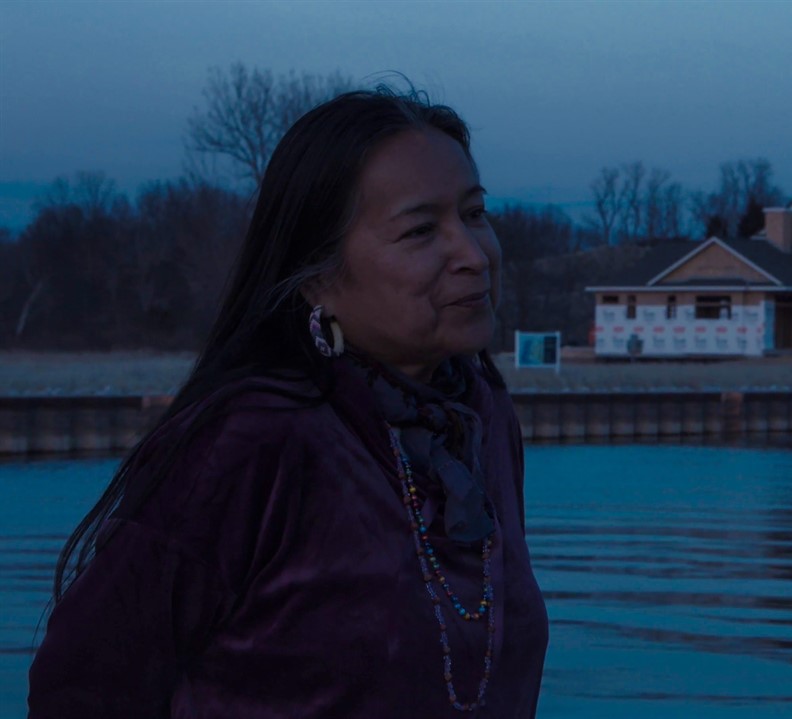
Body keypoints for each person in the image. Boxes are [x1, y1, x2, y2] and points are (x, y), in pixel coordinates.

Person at [28, 86, 548, 718]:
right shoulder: (254, 437)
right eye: (419, 230)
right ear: (319, 276)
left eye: (474, 214)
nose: (473, 255)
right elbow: (84, 688)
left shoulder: (483, 415)